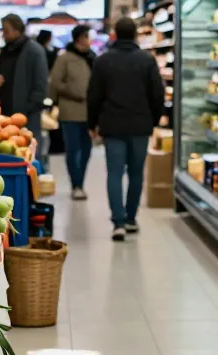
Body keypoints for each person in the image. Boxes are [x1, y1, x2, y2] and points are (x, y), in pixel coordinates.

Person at [87, 17, 164, 241]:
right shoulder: (146, 60)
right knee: (137, 173)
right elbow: (157, 95)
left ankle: (118, 222)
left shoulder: (103, 61)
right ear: (136, 35)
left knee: (114, 173)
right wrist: (154, 120)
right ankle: (131, 219)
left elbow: (94, 96)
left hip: (113, 125)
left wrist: (92, 124)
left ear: (115, 34)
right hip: (140, 125)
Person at [0, 14, 49, 164]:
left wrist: (28, 108)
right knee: (9, 153)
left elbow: (41, 84)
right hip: (6, 114)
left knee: (30, 155)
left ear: (17, 30)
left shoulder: (34, 51)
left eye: (6, 30)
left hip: (27, 115)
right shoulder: (6, 50)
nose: (3, 34)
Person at [49, 24, 94, 199]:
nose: (89, 40)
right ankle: (76, 184)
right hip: (70, 111)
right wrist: (74, 91)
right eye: (86, 36)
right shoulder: (65, 58)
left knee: (87, 150)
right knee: (73, 149)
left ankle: (80, 181)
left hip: (89, 113)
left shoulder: (92, 58)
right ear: (79, 39)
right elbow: (55, 83)